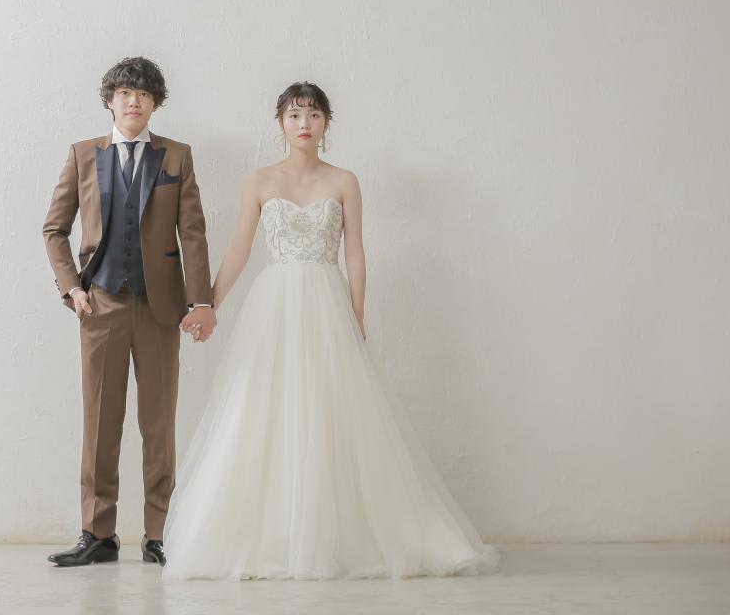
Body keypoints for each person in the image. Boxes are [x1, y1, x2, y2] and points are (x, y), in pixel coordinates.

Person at [161, 82, 500, 580]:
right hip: (275, 305)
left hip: (326, 303)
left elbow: (355, 251)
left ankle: (332, 534)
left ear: (326, 124)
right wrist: (209, 303)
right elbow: (239, 248)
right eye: (295, 115)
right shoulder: (259, 181)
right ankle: (272, 534)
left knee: (332, 408)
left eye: (314, 115)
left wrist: (356, 313)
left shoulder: (344, 181)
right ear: (280, 123)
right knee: (264, 407)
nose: (305, 124)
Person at [41, 57, 218, 568]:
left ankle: (160, 533)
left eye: (142, 94)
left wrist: (200, 300)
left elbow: (193, 232)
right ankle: (98, 534)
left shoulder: (176, 156)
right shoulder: (82, 155)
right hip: (99, 304)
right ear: (110, 101)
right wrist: (72, 289)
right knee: (100, 422)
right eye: (124, 93)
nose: (133, 101)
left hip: (160, 309)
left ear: (155, 103)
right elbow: (54, 229)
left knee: (158, 425)